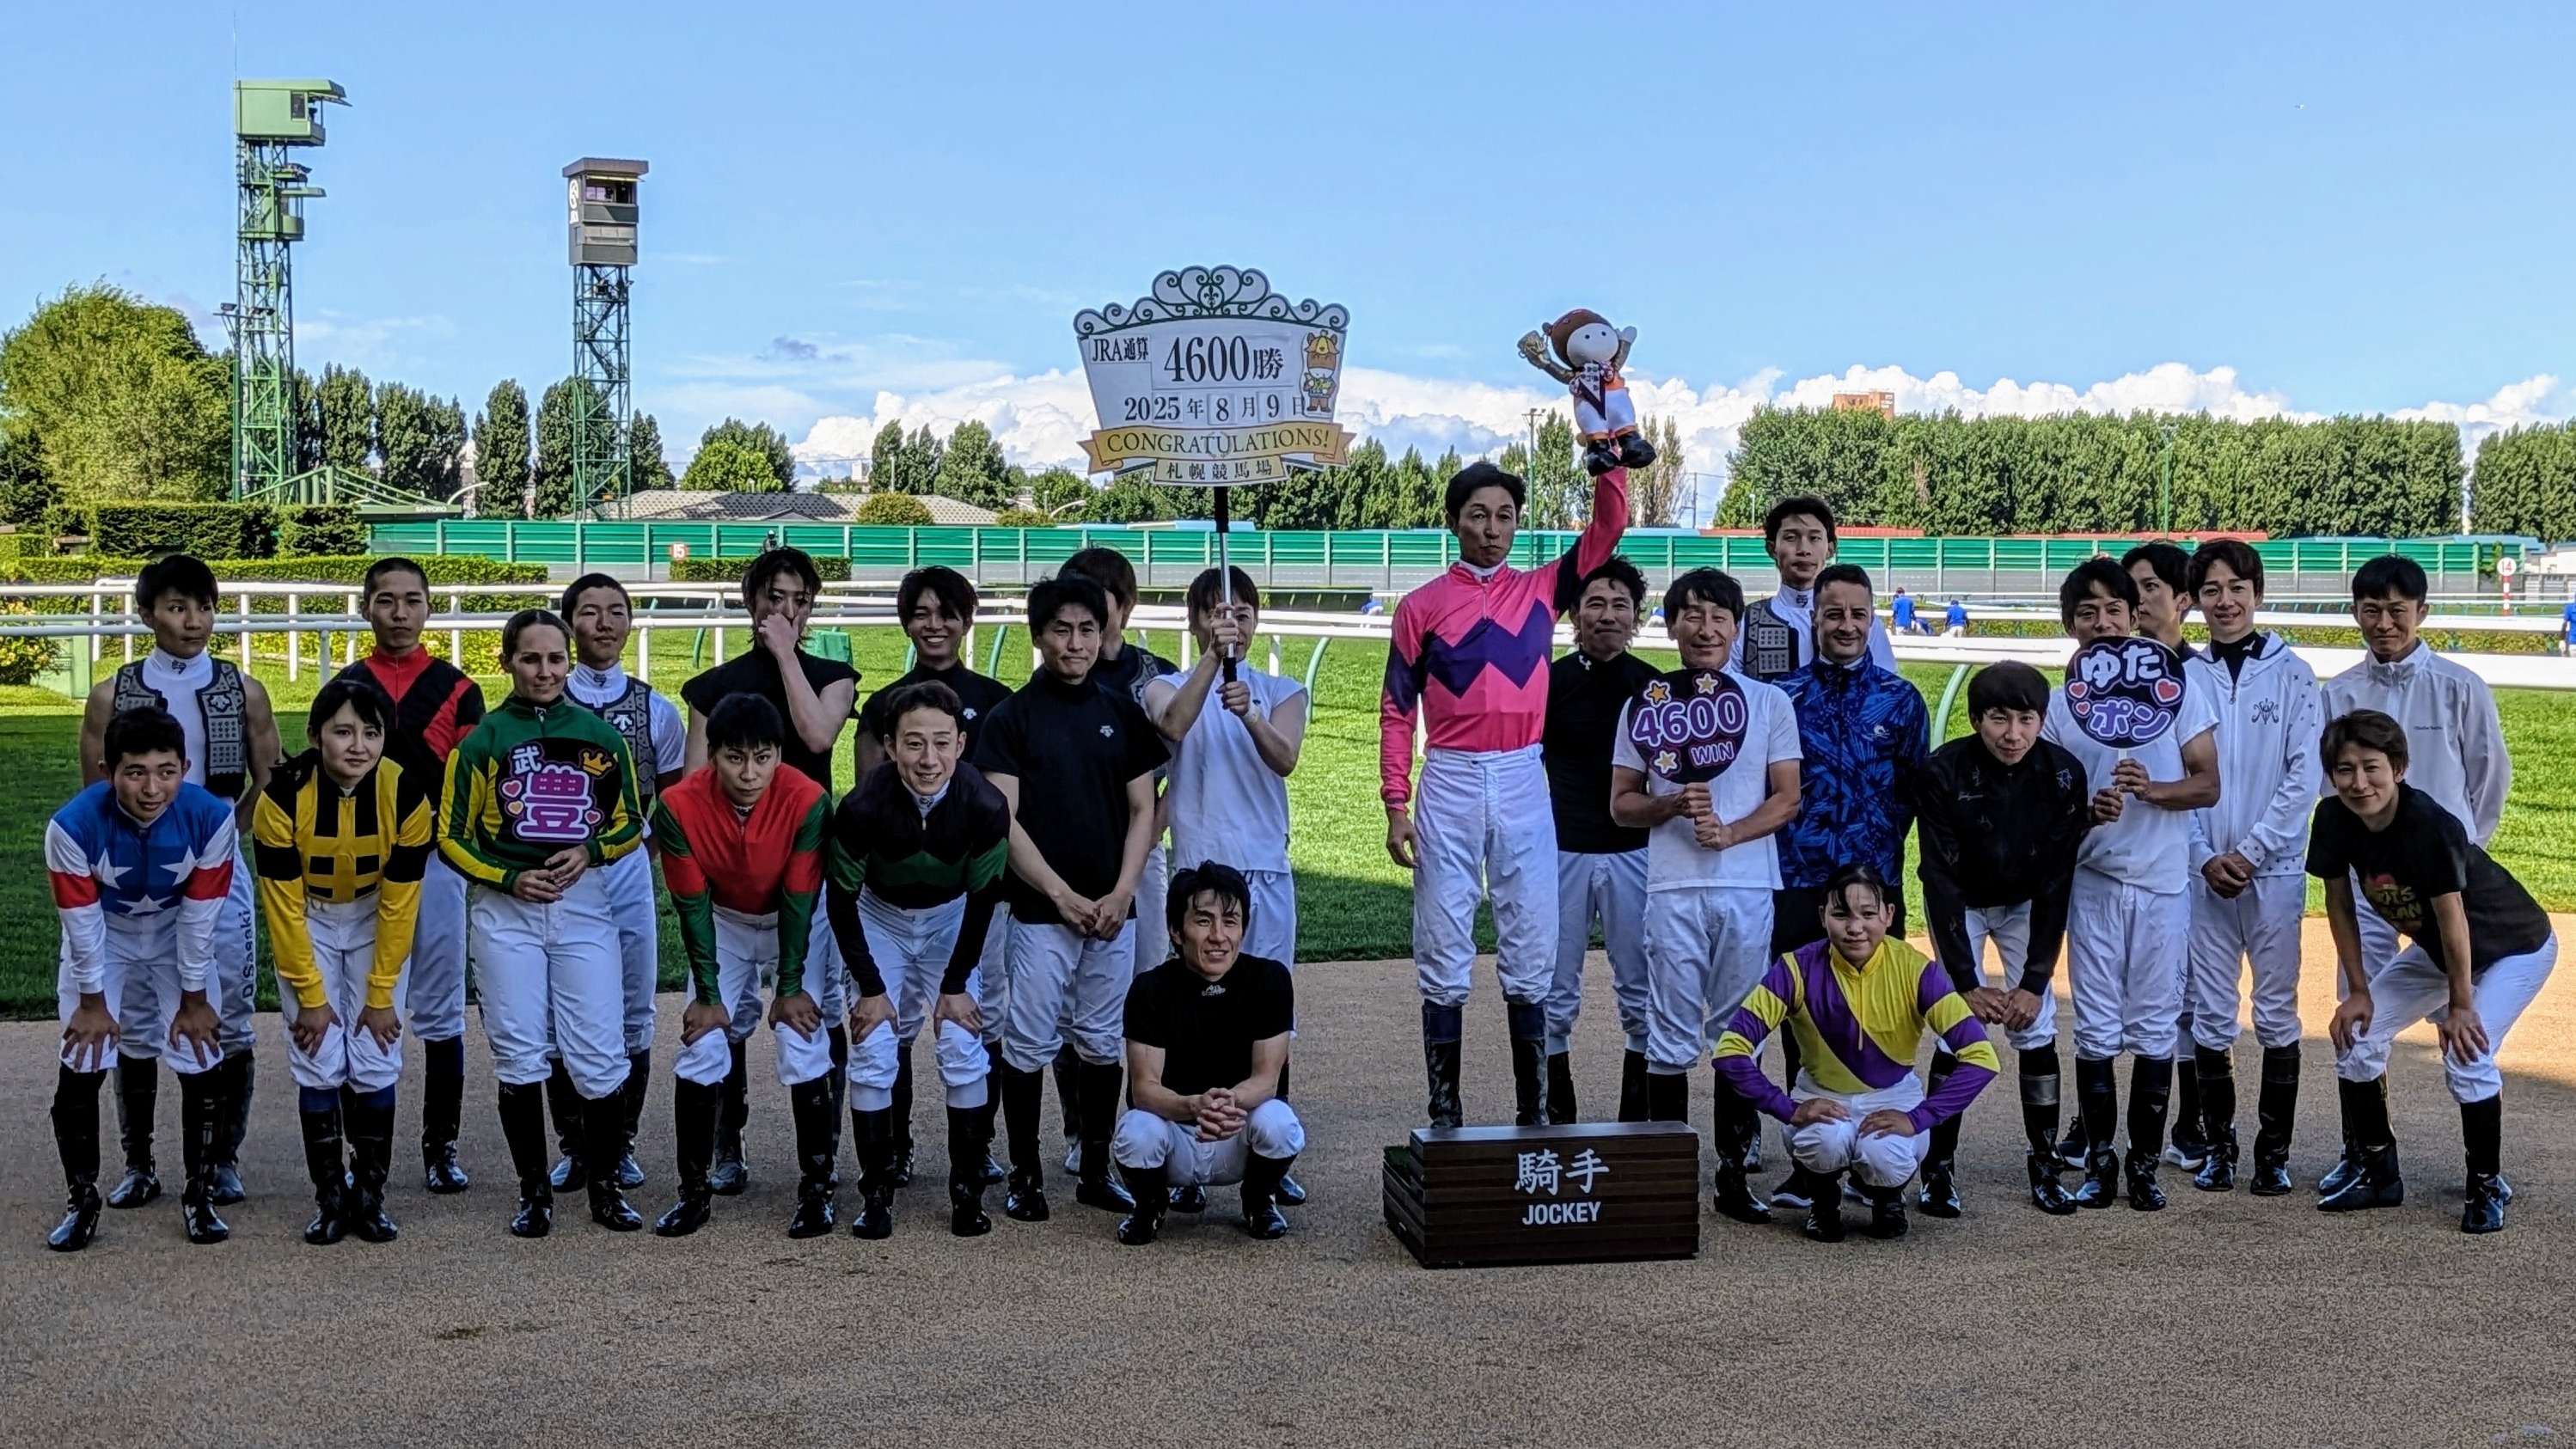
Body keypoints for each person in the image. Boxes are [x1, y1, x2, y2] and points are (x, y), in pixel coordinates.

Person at [1382, 458, 1629, 1128]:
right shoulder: (1420, 607)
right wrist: (1394, 804)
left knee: (1531, 943)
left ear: (1518, 523)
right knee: (1441, 941)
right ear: (1453, 521)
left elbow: (1610, 525)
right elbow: (1397, 710)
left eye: (1504, 517)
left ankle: (1534, 1110)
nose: (1491, 530)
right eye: (1477, 515)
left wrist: (1605, 458)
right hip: (1452, 777)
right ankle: (1444, 1108)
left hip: (1523, 775)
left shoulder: (1544, 589)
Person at [79, 555, 279, 1211]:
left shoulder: (244, 689)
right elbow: (94, 789)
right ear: (147, 615)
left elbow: (270, 776)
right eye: (176, 607)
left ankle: (221, 1159)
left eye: (204, 607)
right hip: (133, 873)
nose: (193, 622)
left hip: (217, 870)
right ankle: (139, 1163)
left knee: (229, 1016)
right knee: (136, 1020)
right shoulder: (111, 693)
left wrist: (228, 831)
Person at [439, 608, 647, 1237]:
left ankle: (605, 1189)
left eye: (555, 658)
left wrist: (590, 852)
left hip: (583, 906)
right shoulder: (481, 742)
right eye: (530, 659)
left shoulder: (600, 736)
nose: (545, 670)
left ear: (570, 659)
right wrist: (506, 878)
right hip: (507, 914)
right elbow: (449, 837)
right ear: (506, 662)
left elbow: (631, 820)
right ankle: (534, 1194)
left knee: (599, 1053)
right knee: (521, 1053)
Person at [2311, 711, 2555, 1234]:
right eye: (2345, 769)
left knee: (2468, 1054)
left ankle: (2486, 1184)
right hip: (2440, 950)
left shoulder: (2430, 825)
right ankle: (2379, 1174)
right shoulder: (2332, 818)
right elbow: (2339, 905)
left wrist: (2461, 1006)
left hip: (2514, 945)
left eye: (2372, 767)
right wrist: (2358, 990)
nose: (2359, 782)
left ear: (2398, 767)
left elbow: (2452, 920)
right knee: (2356, 1037)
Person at [1608, 567, 1802, 1224]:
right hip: (1671, 886)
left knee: (1737, 1032)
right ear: (1671, 626)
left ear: (1736, 628)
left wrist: (1730, 832)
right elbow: (1621, 804)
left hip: (1747, 885)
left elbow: (1787, 797)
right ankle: (1667, 1173)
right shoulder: (1646, 704)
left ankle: (1733, 1171)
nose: (1705, 627)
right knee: (1667, 1030)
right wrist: (1667, 806)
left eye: (1718, 616)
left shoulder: (1769, 703)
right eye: (1690, 615)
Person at [2314, 554, 2509, 1196]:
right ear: (2355, 615)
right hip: (2369, 883)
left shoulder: (2458, 685)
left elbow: (2488, 776)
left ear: (2421, 613)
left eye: (2397, 610)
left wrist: (2459, 854)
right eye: (2370, 610)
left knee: (2458, 1012)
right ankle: (2364, 1154)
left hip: (2441, 884)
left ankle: (2481, 1174)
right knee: (2357, 1013)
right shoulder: (2338, 692)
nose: (2383, 622)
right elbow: (2332, 785)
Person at [975, 575, 1167, 1223]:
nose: (1075, 642)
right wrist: (1058, 894)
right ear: (1038, 636)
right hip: (1040, 911)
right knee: (1028, 1041)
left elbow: (1144, 810)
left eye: (1087, 629)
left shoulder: (1121, 713)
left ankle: (1093, 1168)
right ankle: (1025, 1174)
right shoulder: (1011, 719)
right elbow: (1005, 820)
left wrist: (1121, 892)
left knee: (1099, 1040)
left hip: (1113, 913)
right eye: (1061, 629)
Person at [2040, 559, 2220, 1211]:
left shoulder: (2176, 690)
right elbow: (2046, 807)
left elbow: (2206, 783)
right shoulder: (2059, 707)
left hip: (2161, 883)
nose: (2102, 624)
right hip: (2090, 882)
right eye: (2086, 614)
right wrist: (2088, 812)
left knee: (2152, 1026)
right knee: (2092, 1027)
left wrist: (2155, 790)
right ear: (2070, 626)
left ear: (2133, 614)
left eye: (2113, 609)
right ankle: (2099, 1161)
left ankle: (2143, 1165)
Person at [678, 547, 857, 1194]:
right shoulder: (711, 685)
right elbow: (695, 785)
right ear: (750, 601)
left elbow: (815, 739)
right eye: (774, 598)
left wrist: (785, 656)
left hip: (806, 880)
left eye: (799, 600)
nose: (786, 610)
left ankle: (825, 1152)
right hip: (730, 884)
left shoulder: (833, 675)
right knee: (721, 1015)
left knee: (815, 1010)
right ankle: (727, 1145)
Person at [1713, 864, 1999, 1242]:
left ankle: (1888, 1200)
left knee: (1886, 1155)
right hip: (1819, 1093)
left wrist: (1918, 1118)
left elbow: (1980, 1057)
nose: (1855, 928)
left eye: (1868, 914)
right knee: (1824, 1142)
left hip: (1894, 1095)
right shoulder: (1794, 968)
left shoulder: (1917, 970)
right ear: (1822, 916)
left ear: (1889, 915)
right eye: (1841, 914)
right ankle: (1823, 1203)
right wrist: (1788, 1108)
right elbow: (1731, 1049)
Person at [45, 707, 242, 1251]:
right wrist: (92, 1002)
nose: (152, 788)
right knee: (85, 1052)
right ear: (108, 770)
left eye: (166, 771)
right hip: (105, 932)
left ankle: (198, 1195)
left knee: (199, 1049)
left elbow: (202, 917)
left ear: (187, 766)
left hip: (178, 927)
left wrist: (196, 999)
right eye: (135, 772)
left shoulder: (211, 817)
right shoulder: (71, 825)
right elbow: (81, 926)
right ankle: (83, 1199)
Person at [1144, 566, 1310, 1208]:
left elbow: (1285, 758)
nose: (1231, 623)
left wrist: (1251, 717)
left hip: (1263, 872)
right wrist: (1212, 664)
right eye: (1217, 613)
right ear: (1195, 622)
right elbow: (1174, 727)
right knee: (1192, 1011)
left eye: (1242, 613)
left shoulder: (1282, 688)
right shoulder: (1165, 685)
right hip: (1199, 871)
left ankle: (1271, 1150)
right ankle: (1191, 1149)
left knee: (1267, 1011)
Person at [254, 680, 436, 1246]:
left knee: (377, 1056)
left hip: (373, 919)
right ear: (314, 736)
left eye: (371, 732)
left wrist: (381, 995)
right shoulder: (281, 796)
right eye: (342, 731)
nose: (358, 745)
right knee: (318, 1056)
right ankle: (330, 1197)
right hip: (307, 919)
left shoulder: (407, 795)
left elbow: (402, 903)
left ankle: (370, 1196)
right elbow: (281, 909)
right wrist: (311, 995)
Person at [829, 681, 1013, 1239]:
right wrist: (869, 987)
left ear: (960, 743)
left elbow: (983, 899)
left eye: (940, 743)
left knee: (961, 1043)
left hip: (950, 920)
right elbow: (840, 900)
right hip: (878, 917)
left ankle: (966, 1194)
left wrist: (955, 984)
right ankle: (876, 1194)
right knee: (874, 1044)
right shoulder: (860, 806)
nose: (927, 759)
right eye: (912, 744)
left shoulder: (986, 805)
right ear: (889, 745)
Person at [1771, 561, 1929, 1212]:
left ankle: (1876, 1159)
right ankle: (1810, 1160)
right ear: (1814, 619)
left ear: (1872, 619)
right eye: (1832, 614)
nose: (1844, 625)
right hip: (1798, 881)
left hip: (1871, 886)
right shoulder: (1781, 698)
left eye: (1856, 614)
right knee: (1797, 1015)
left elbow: (1915, 792)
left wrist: (1884, 863)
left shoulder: (1900, 700)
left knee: (1871, 1016)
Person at [851, 565, 1014, 1190]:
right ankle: (895, 1148)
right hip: (890, 895)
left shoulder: (996, 699)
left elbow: (999, 802)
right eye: (920, 612)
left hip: (967, 886)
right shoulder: (883, 703)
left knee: (972, 1018)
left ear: (966, 620)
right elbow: (871, 793)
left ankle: (979, 1152)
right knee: (890, 1027)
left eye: (946, 612)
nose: (934, 624)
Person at [649, 694, 834, 1239]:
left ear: (780, 753)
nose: (750, 772)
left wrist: (791, 984)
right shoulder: (679, 805)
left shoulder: (808, 798)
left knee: (802, 1043)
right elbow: (690, 905)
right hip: (722, 920)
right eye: (735, 758)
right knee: (701, 1044)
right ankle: (693, 1192)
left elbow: (800, 897)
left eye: (763, 757)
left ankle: (817, 1192)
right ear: (711, 754)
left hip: (794, 921)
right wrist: (708, 995)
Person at [1914, 662, 2093, 1215]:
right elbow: (1938, 877)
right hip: (1960, 899)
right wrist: (1966, 983)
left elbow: (2059, 878)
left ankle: (2044, 1166)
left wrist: (2036, 982)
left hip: (2026, 900)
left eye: (2025, 719)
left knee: (2035, 1026)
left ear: (2042, 720)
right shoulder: (1941, 771)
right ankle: (1937, 1171)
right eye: (1998, 719)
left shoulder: (2064, 773)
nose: (2012, 734)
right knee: (1955, 1032)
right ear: (1974, 719)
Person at [337, 556, 484, 1194]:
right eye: (387, 601)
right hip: (360, 871)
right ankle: (363, 1157)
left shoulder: (458, 688)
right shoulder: (345, 684)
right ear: (366, 607)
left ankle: (440, 1149)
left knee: (441, 1008)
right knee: (362, 1004)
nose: (400, 614)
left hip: (436, 867)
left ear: (428, 608)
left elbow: (475, 786)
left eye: (412, 601)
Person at [2181, 540, 2322, 1195]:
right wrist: (2206, 855)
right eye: (2210, 589)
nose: (2224, 601)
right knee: (2209, 1012)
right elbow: (2171, 774)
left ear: (2256, 593)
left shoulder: (2292, 673)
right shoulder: (2183, 677)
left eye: (2236, 587)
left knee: (2274, 1012)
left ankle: (2272, 1152)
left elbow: (2303, 775)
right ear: (2195, 600)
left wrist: (2253, 849)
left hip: (2273, 870)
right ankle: (2219, 1147)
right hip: (2205, 871)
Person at [553, 572, 686, 1196]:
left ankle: (620, 1143)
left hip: (625, 866)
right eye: (589, 613)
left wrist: (640, 852)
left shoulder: (656, 709)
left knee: (634, 1009)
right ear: (569, 623)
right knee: (561, 1011)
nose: (604, 624)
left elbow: (673, 797)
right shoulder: (546, 704)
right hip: (556, 874)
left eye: (616, 612)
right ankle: (576, 1147)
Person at [1054, 547, 1180, 1171]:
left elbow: (1176, 771)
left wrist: (1145, 845)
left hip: (1139, 853)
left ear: (1124, 605)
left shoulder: (1156, 673)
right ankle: (1083, 1131)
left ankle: (1147, 1119)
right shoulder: (1058, 671)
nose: (1087, 621)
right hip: (1068, 856)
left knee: (1148, 992)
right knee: (1070, 1003)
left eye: (1100, 600)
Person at [1109, 863, 1304, 1245]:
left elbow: (1267, 1079)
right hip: (1176, 1132)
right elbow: (1144, 1089)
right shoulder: (1149, 989)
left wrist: (1227, 1103)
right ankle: (1150, 1205)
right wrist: (1195, 1107)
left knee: (1280, 1124)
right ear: (1175, 932)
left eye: (1230, 922)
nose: (1219, 936)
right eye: (1203, 921)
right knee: (1135, 1133)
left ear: (1243, 928)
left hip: (1237, 1130)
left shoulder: (1271, 980)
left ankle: (1258, 1200)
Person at [1538, 557, 1659, 1122]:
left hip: (1636, 853)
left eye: (1619, 606)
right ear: (1573, 614)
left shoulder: (1654, 689)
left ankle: (1636, 1118)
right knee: (1554, 986)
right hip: (1559, 851)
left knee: (1638, 985)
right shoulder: (1547, 681)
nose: (1607, 616)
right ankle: (1551, 1113)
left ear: (1636, 617)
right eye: (1595, 604)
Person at [2121, 540, 2215, 1171]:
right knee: (2109, 998)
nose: (2137, 601)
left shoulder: (2201, 679)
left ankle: (2190, 1123)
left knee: (2183, 998)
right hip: (2131, 856)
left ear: (2182, 600)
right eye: (2130, 590)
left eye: (2150, 587)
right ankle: (2097, 1125)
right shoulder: (2102, 675)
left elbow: (2212, 779)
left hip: (2199, 854)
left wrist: (2210, 850)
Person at [1735, 496, 1897, 683]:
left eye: (1814, 538)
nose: (1804, 549)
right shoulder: (1744, 623)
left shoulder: (1860, 622)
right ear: (1772, 548)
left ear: (1830, 548)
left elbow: (1887, 690)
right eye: (1790, 537)